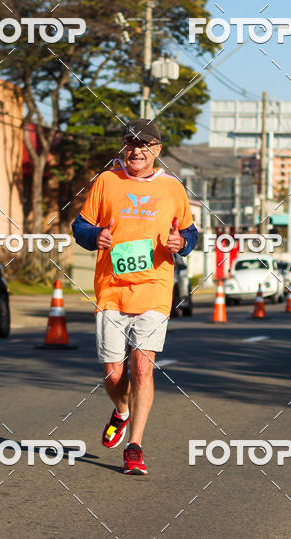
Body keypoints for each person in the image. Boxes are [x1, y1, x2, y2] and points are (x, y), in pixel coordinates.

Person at [71, 119, 198, 476]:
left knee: (142, 367)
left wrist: (182, 242)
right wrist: (95, 236)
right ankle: (121, 411)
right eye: (130, 143)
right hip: (111, 288)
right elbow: (80, 225)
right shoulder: (107, 181)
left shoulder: (172, 188)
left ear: (157, 149)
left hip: (155, 288)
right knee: (113, 375)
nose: (136, 150)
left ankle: (135, 446)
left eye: (144, 145)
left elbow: (190, 232)